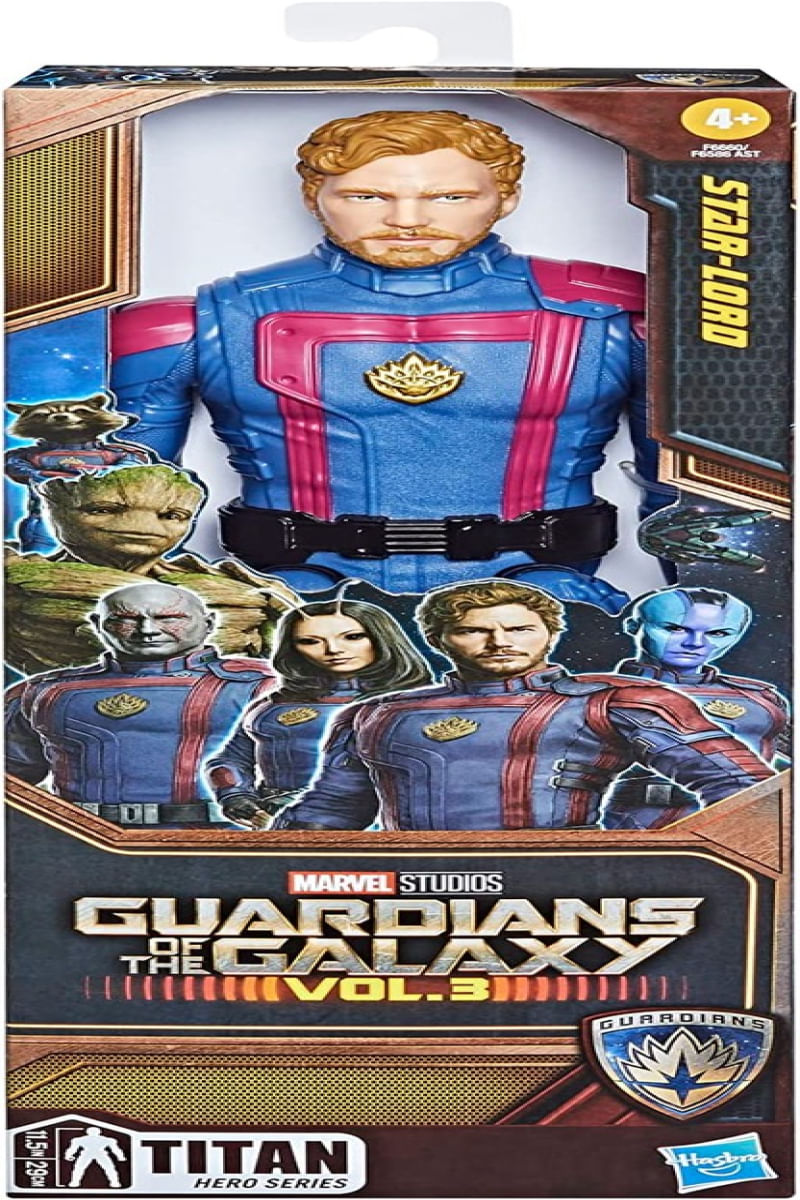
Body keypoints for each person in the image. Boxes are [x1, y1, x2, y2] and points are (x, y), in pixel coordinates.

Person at [110, 109, 672, 604]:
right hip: (291, 603)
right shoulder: (195, 324)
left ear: (507, 197)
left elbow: (691, 499)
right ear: (313, 195)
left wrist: (703, 605)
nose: (406, 220)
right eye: (367, 196)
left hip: (543, 600)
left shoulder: (619, 319)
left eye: (449, 197)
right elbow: (117, 501)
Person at [273, 580, 773, 832]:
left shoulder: (615, 700)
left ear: (549, 634)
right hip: (408, 884)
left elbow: (746, 790)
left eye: (519, 629)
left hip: (564, 885)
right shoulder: (376, 713)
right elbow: (331, 811)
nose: (499, 642)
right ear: (438, 639)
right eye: (474, 630)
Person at [5, 583, 275, 828]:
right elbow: (12, 781)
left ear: (209, 623)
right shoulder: (41, 691)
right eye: (125, 619)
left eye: (169, 618)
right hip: (82, 840)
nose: (147, 630)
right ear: (98, 624)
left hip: (219, 840)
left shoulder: (262, 685)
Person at [4, 464, 297, 674]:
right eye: (104, 510)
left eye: (172, 515)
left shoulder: (249, 594)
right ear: (55, 511)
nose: (143, 526)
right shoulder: (14, 585)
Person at [206, 599, 432, 826]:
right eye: (310, 641)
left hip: (369, 824)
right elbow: (231, 759)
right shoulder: (273, 704)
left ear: (381, 638)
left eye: (353, 637)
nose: (333, 649)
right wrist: (236, 796)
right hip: (271, 821)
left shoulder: (414, 705)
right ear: (292, 647)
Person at [602, 586, 789, 829]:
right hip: (633, 823)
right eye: (675, 629)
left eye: (718, 633)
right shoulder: (597, 694)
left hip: (745, 822)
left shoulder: (760, 697)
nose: (695, 643)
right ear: (634, 626)